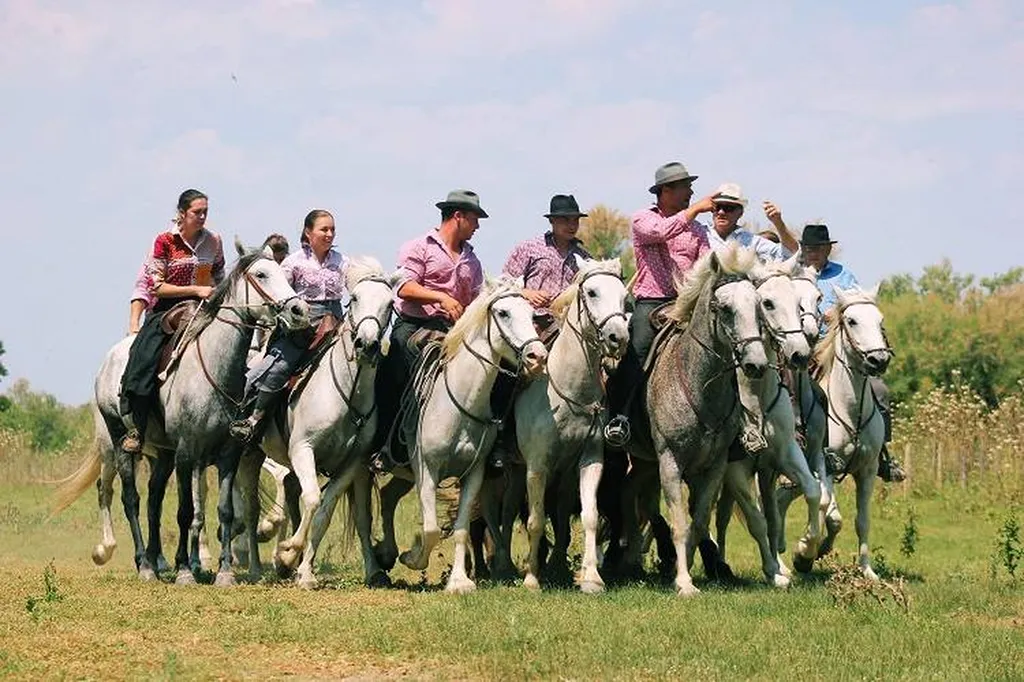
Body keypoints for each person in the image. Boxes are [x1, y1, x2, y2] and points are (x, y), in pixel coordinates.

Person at [373, 190, 487, 466]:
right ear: (458, 216)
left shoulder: (472, 260)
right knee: (394, 375)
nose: (477, 226)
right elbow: (404, 287)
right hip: (414, 326)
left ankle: (488, 445)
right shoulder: (418, 247)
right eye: (474, 219)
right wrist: (441, 298)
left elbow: (477, 299)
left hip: (454, 331)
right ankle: (384, 446)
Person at [605, 162, 712, 445]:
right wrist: (694, 210)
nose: (691, 193)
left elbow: (706, 265)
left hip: (688, 303)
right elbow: (662, 232)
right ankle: (619, 416)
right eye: (685, 187)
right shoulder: (643, 219)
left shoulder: (698, 230)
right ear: (665, 190)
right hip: (652, 302)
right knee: (636, 352)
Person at [120, 189, 225, 454]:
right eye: (197, 212)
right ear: (182, 213)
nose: (202, 217)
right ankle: (137, 426)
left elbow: (220, 276)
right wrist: (196, 290)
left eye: (205, 212)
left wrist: (216, 295)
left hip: (204, 308)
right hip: (166, 309)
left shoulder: (214, 241)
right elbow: (155, 286)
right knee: (144, 357)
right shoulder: (164, 241)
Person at [799, 223, 905, 483]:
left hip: (838, 348)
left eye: (818, 248)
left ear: (827, 249)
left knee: (879, 390)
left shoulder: (843, 275)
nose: (813, 253)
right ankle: (796, 449)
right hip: (804, 348)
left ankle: (882, 455)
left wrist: (835, 312)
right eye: (808, 248)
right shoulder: (796, 275)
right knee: (795, 392)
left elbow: (857, 304)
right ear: (802, 250)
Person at [230, 211, 346, 443]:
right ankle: (254, 419)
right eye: (324, 229)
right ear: (308, 233)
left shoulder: (343, 261)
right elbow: (278, 293)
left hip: (336, 323)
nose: (329, 234)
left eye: (332, 229)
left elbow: (355, 282)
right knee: (278, 368)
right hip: (303, 326)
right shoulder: (293, 262)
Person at [502, 194, 592, 333]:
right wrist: (526, 293)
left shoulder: (585, 258)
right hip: (530, 323)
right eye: (565, 220)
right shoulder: (529, 248)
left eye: (575, 220)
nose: (572, 226)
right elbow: (504, 282)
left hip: (568, 326)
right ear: (552, 220)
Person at [704, 183, 799, 260]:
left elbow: (790, 254)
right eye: (717, 207)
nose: (721, 212)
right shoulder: (700, 233)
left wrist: (778, 223)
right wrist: (697, 209)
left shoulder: (752, 241)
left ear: (740, 213)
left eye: (728, 208)